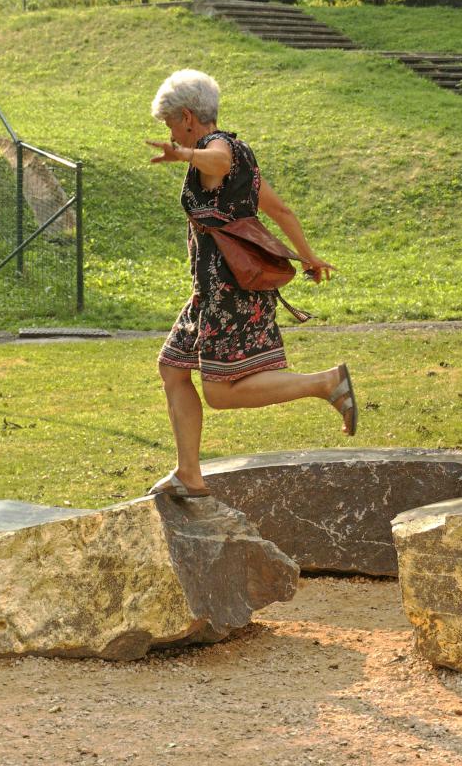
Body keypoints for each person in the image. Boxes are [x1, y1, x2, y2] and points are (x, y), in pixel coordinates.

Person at [146, 69, 357, 498]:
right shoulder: (243, 154)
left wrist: (185, 154)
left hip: (228, 291)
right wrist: (309, 256)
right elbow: (281, 212)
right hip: (212, 290)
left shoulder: (215, 148)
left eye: (169, 122)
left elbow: (215, 161)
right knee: (172, 368)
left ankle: (325, 383)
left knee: (221, 393)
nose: (169, 130)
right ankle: (189, 474)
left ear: (187, 117)